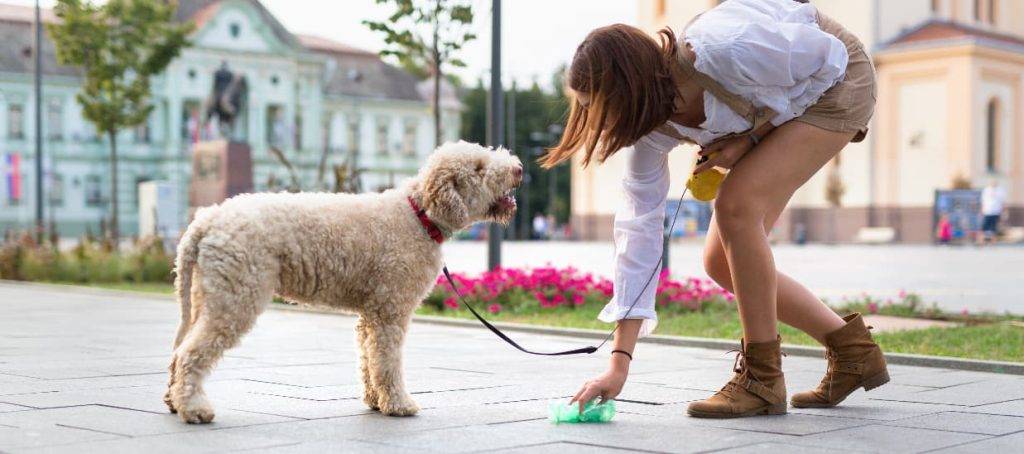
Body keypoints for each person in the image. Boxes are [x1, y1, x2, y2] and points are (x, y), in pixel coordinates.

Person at [542, 0, 888, 419]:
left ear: (628, 90)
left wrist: (753, 138)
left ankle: (762, 380)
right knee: (720, 261)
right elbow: (638, 232)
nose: (601, 123)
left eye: (600, 108)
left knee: (737, 206)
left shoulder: (724, 47)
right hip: (796, 96)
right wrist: (618, 364)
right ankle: (854, 353)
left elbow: (826, 59)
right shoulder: (650, 130)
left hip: (837, 79)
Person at [980, 180, 1006, 244]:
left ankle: (993, 242)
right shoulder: (986, 190)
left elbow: (1002, 202)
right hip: (987, 211)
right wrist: (982, 210)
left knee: (994, 228)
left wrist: (1002, 211)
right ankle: (981, 241)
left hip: (995, 211)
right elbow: (983, 201)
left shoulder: (1000, 190)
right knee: (984, 227)